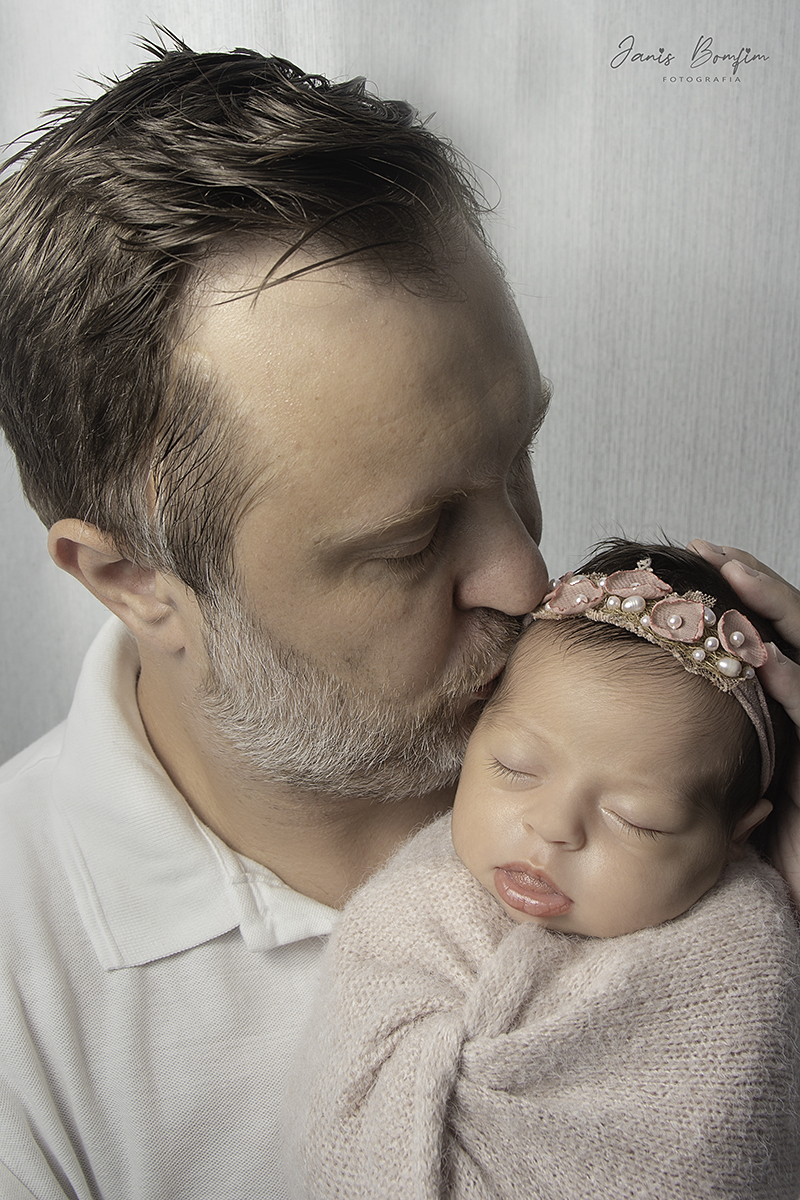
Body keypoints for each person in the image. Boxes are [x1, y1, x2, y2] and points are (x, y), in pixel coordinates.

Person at [0, 34, 798, 1200]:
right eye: (409, 541)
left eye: (516, 456)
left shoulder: (691, 764)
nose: (526, 578)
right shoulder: (23, 1006)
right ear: (132, 582)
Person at [285, 542, 800, 1200]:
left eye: (635, 818)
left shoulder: (742, 958)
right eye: (515, 768)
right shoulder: (410, 910)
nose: (554, 827)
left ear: (737, 838)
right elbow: (339, 1116)